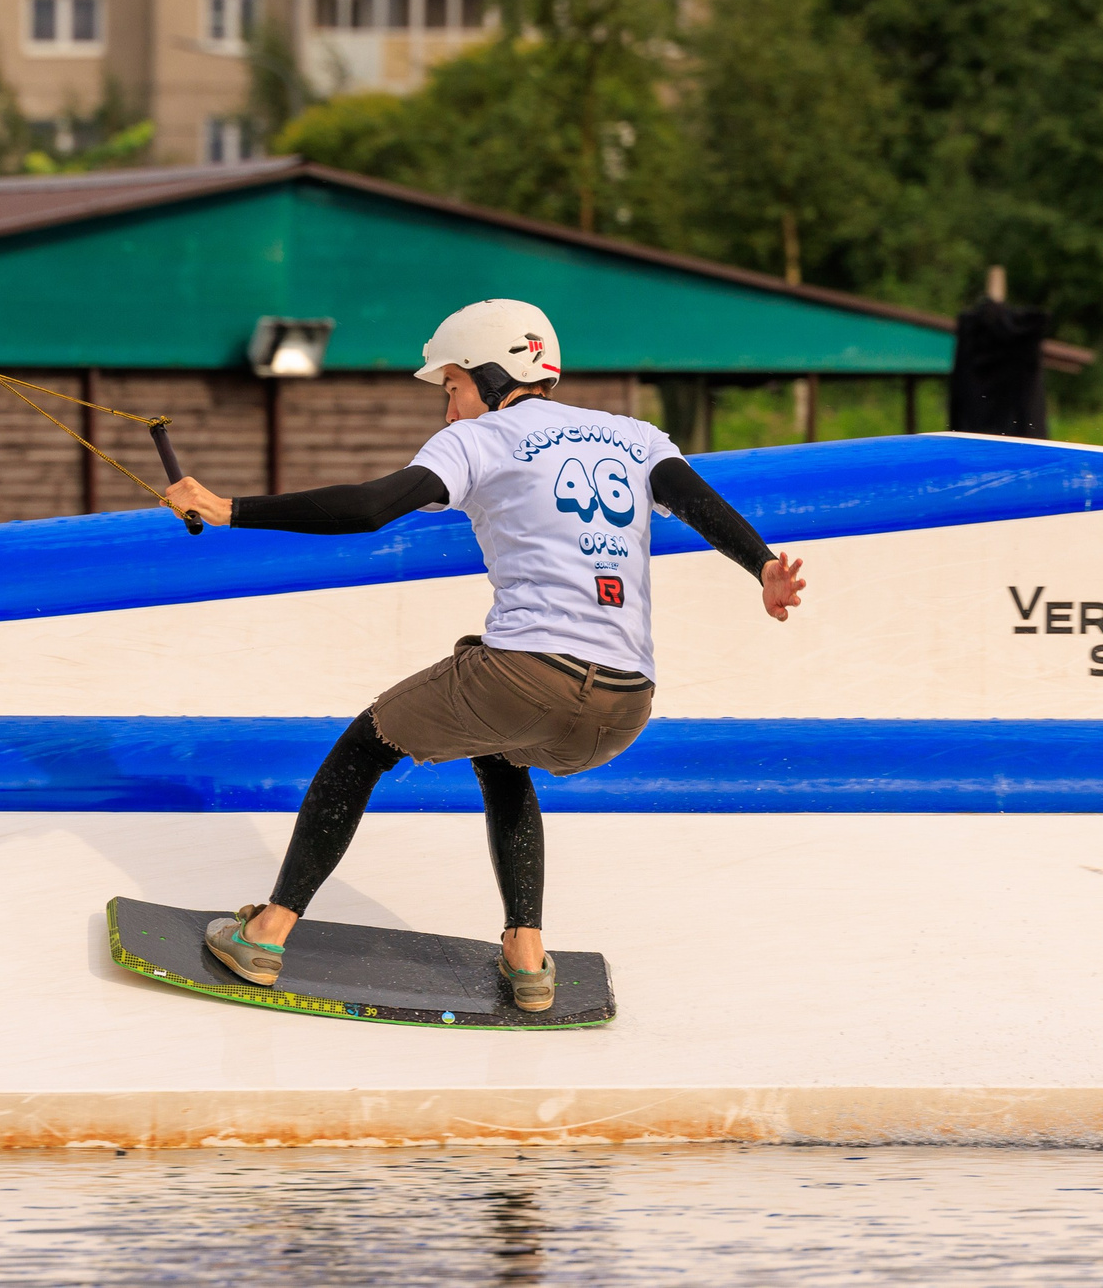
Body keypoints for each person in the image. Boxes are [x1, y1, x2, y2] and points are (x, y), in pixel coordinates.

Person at [160, 299, 805, 1013]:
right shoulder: (634, 436)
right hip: (626, 704)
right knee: (501, 752)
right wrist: (763, 566)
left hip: (527, 676)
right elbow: (698, 502)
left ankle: (266, 934)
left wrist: (231, 510)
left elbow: (369, 508)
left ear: (490, 375)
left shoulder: (478, 440)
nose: (448, 410)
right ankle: (527, 959)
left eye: (452, 387)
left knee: (362, 749)